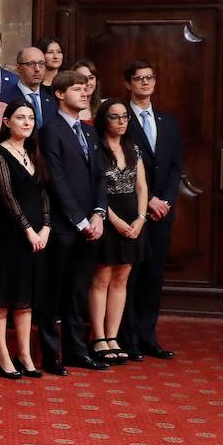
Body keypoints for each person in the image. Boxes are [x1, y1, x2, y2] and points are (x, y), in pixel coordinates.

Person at [40, 70, 109, 375]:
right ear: (59, 93)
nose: (85, 94)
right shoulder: (50, 130)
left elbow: (99, 177)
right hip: (62, 225)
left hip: (90, 226)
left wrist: (98, 213)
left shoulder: (91, 132)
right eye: (78, 89)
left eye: (86, 90)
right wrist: (80, 220)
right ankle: (51, 354)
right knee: (52, 293)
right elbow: (56, 179)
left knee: (78, 291)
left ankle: (77, 351)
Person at [0, 101, 50, 379]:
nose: (26, 122)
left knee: (25, 300)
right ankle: (3, 355)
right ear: (7, 122)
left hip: (35, 236)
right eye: (20, 117)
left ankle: (24, 353)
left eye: (30, 118)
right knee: (1, 298)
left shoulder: (34, 152)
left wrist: (45, 227)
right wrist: (28, 229)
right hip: (8, 235)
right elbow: (7, 197)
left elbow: (44, 191)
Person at [123, 60, 180, 360]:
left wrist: (165, 199)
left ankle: (148, 337)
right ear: (128, 84)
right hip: (135, 211)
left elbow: (174, 167)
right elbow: (123, 165)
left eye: (149, 78)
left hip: (161, 213)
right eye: (139, 79)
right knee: (131, 277)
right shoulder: (121, 119)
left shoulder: (168, 121)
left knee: (153, 278)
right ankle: (128, 339)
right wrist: (149, 201)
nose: (145, 83)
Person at [88, 99, 149, 364]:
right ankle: (98, 337)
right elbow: (93, 191)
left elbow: (142, 187)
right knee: (102, 278)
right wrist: (113, 220)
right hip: (107, 216)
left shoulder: (133, 148)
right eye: (115, 117)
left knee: (122, 278)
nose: (122, 121)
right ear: (104, 120)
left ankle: (113, 335)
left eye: (125, 117)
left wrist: (141, 218)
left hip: (133, 218)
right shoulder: (96, 149)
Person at [0, 46, 57, 129]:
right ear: (18, 68)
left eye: (41, 64)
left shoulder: (52, 99)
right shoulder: (4, 99)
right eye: (31, 64)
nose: (37, 69)